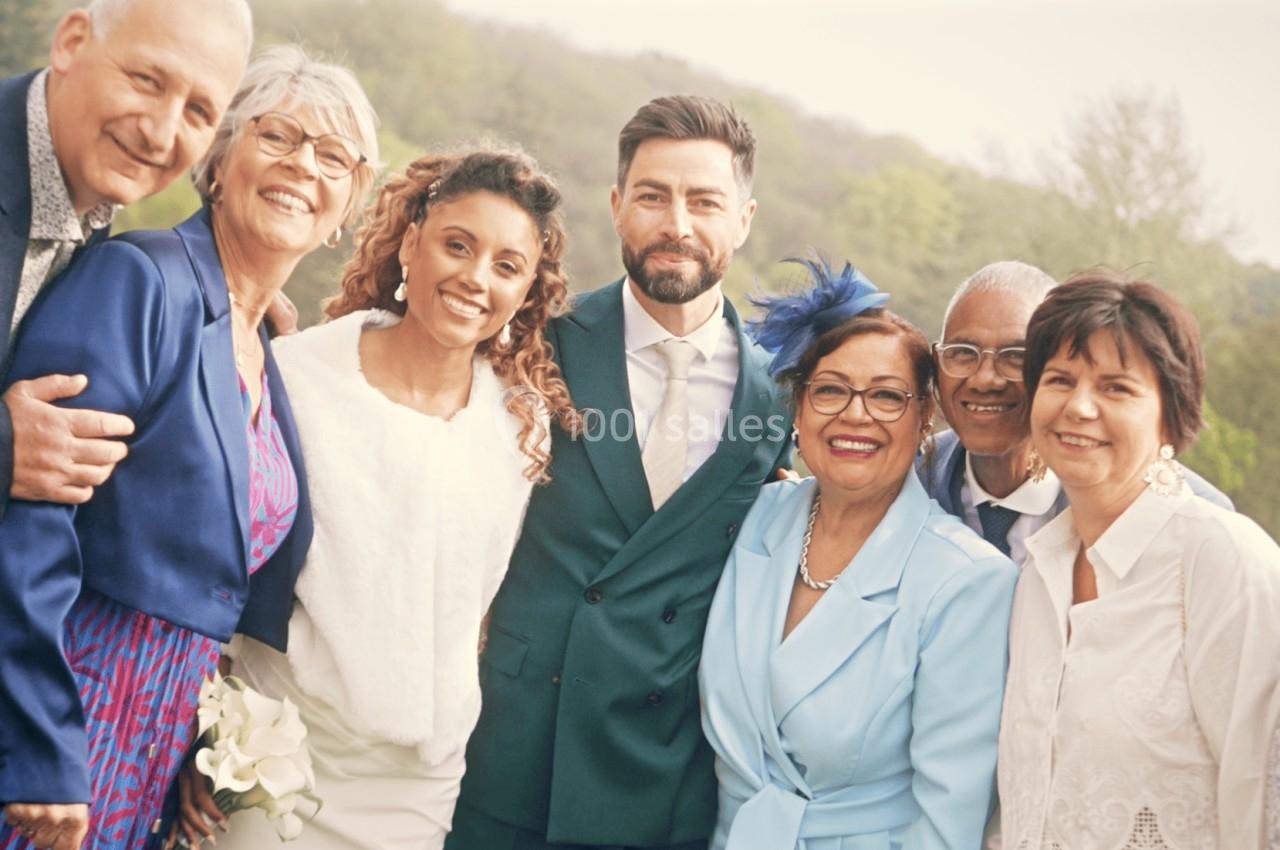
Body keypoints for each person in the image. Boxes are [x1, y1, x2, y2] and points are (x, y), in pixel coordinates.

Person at [0, 44, 380, 850]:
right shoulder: (138, 281)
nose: (302, 165)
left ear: (348, 206)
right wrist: (36, 748)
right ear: (219, 158)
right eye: (277, 136)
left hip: (155, 751)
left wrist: (205, 739)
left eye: (332, 155)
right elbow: (31, 519)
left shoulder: (267, 344)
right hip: (61, 721)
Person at [191, 148, 579, 850]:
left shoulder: (521, 427)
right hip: (274, 750)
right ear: (410, 243)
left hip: (418, 785)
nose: (475, 278)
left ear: (525, 294)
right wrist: (198, 730)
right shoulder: (296, 377)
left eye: (506, 265)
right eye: (457, 246)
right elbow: (213, 559)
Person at [446, 95, 792, 850]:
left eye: (704, 201)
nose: (677, 224)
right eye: (652, 196)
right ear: (615, 206)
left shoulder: (781, 396)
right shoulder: (535, 343)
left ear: (745, 218)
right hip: (509, 759)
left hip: (661, 782)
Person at [699, 258, 1017, 850]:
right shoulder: (754, 520)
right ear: (798, 408)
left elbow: (948, 821)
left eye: (887, 396)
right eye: (831, 390)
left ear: (926, 418)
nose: (855, 414)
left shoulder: (968, 583)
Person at [993, 271, 1280, 848]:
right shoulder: (1038, 570)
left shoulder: (1222, 560)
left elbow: (1265, 792)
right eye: (1059, 379)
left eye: (1116, 388)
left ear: (1170, 415)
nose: (1078, 406)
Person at [0, 0, 254, 515]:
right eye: (146, 80)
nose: (160, 133)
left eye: (198, 111)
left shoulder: (92, 213)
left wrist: (246, 297)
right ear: (72, 42)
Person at [923, 261, 1231, 565]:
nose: (984, 379)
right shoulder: (906, 480)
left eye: (1016, 357)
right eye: (962, 353)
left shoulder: (1201, 531)